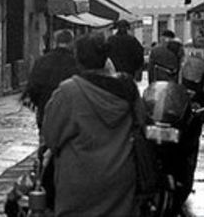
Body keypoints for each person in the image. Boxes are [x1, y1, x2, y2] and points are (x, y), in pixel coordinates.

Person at [42, 31, 145, 217]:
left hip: (77, 180)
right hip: (120, 179)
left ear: (78, 59)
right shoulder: (127, 87)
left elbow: (51, 136)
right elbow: (141, 123)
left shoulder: (68, 92)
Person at [24, 29, 78, 131]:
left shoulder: (42, 60)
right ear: (72, 42)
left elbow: (33, 87)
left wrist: (39, 103)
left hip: (45, 109)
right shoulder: (76, 62)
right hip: (69, 113)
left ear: (55, 42)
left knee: (45, 138)